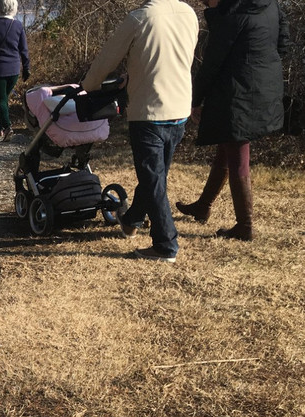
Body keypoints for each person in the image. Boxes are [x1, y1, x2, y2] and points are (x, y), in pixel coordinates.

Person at [82, 0, 199, 262]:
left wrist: (87, 86)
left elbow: (105, 61)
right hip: (179, 108)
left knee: (153, 180)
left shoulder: (140, 18)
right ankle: (133, 219)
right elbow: (173, 59)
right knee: (156, 177)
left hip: (149, 112)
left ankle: (165, 244)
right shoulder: (189, 14)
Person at [175, 0, 287, 241]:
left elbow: (212, 63)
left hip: (239, 91)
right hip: (264, 85)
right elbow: (283, 43)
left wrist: (195, 99)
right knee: (227, 143)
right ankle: (203, 206)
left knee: (237, 152)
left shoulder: (232, 16)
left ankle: (245, 225)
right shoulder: (270, 5)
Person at [0, 0, 30, 141]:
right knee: (4, 98)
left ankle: (7, 126)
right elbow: (24, 49)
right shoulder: (18, 26)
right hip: (15, 69)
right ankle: (0, 129)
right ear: (14, 8)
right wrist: (26, 68)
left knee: (2, 100)